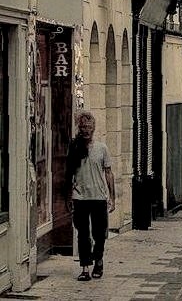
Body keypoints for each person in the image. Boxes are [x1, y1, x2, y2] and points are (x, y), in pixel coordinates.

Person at [66, 111, 115, 282]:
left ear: (93, 128)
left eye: (89, 127)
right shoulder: (75, 147)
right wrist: (68, 197)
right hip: (80, 197)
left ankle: (99, 260)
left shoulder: (102, 148)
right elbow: (69, 172)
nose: (86, 130)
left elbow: (108, 173)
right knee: (82, 233)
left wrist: (112, 197)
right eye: (83, 127)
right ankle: (85, 267)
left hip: (99, 197)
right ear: (79, 128)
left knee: (99, 233)